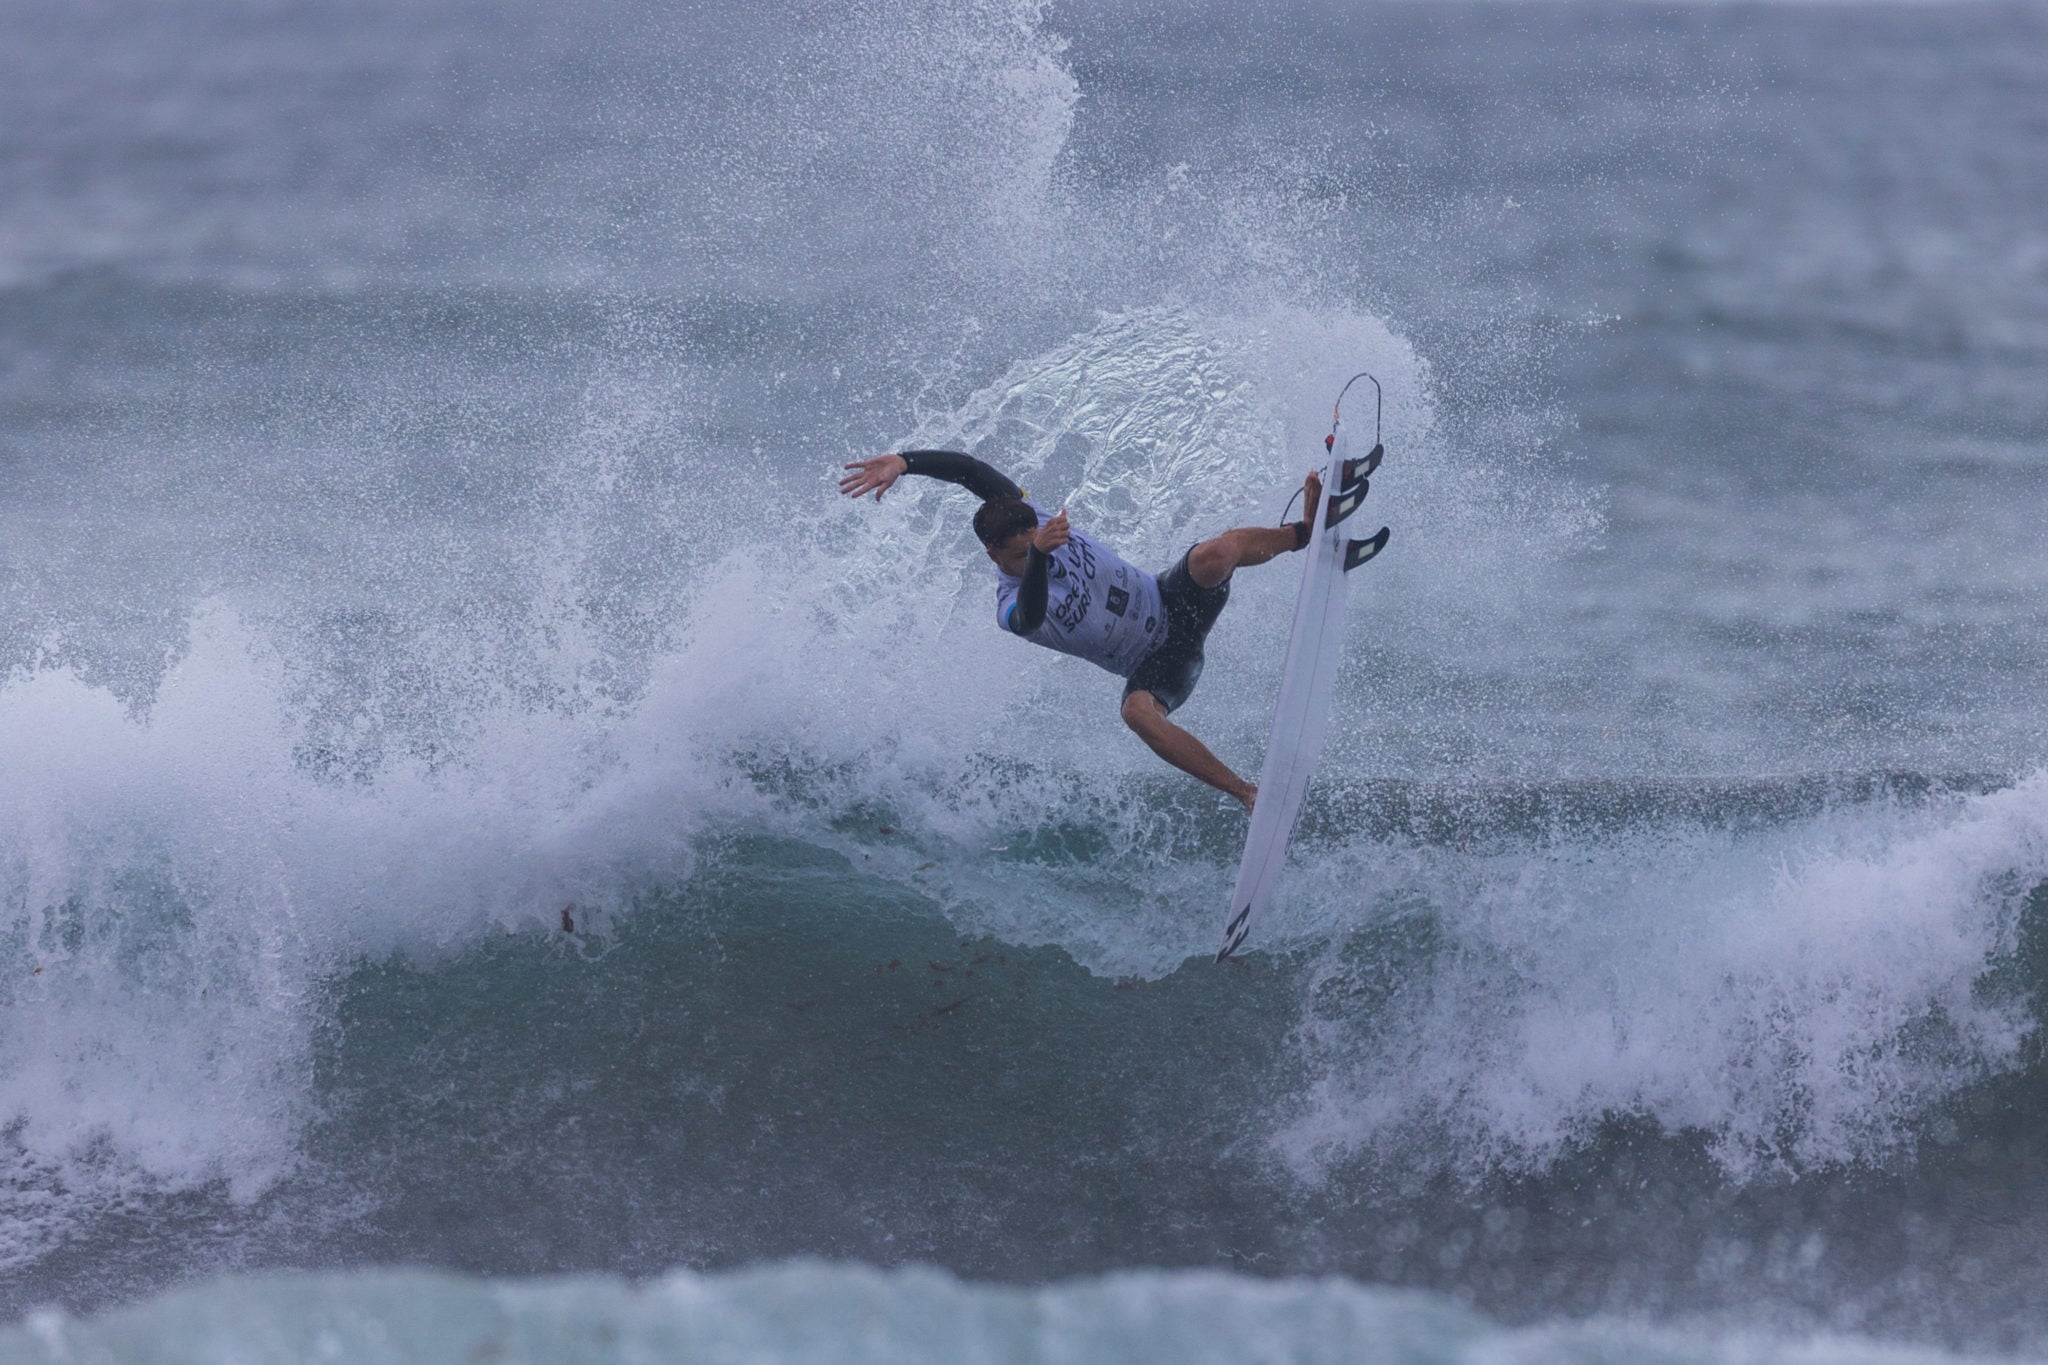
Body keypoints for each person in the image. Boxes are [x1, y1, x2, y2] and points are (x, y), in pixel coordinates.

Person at [839, 449, 1321, 811]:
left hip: (1169, 599)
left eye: (1034, 546)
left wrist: (904, 462)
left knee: (1213, 554)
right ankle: (1247, 793)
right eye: (1018, 556)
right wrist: (1040, 559)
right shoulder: (1011, 605)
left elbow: (970, 471)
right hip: (1161, 665)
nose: (1030, 556)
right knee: (1137, 715)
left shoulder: (1038, 518)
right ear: (992, 555)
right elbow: (1029, 617)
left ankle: (1304, 533)